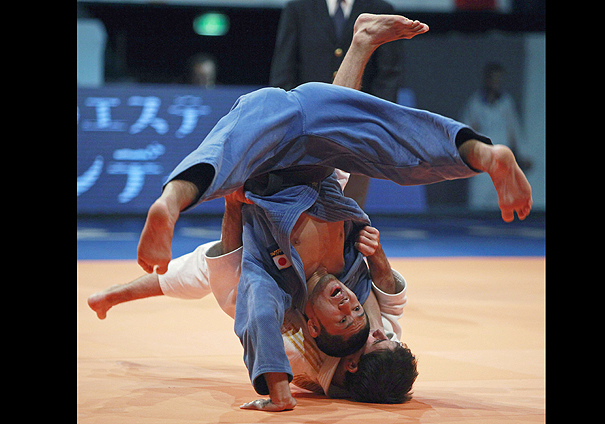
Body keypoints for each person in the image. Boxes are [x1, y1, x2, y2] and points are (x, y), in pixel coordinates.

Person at [136, 13, 532, 410]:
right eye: (357, 311)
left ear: (313, 326)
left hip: (265, 149)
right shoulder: (355, 277)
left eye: (344, 317)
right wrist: (377, 260)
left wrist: (278, 390)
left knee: (225, 158)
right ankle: (480, 153)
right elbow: (387, 298)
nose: (348, 305)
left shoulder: (277, 287)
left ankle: (172, 202)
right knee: (392, 144)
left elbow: (256, 313)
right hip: (319, 146)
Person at [89, 184, 418, 408]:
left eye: (377, 340)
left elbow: (242, 288)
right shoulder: (385, 345)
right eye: (386, 336)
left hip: (265, 278)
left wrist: (233, 207)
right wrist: (375, 251)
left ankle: (174, 199)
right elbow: (389, 293)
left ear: (351, 364)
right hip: (317, 268)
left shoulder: (296, 353)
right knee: (332, 162)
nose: (381, 333)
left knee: (210, 265)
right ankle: (111, 296)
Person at [270, 0, 403, 207]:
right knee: (302, 202)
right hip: (307, 125)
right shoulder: (298, 8)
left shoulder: (381, 10)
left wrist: (376, 124)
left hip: (358, 127)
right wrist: (289, 121)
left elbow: (388, 76)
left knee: (351, 204)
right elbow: (283, 70)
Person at [461, 62, 532, 210]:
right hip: (481, 163)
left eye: (499, 79)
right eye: (493, 79)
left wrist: (523, 155)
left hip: (501, 162)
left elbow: (514, 130)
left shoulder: (506, 103)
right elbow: (465, 131)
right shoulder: (475, 103)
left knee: (501, 205)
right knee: (477, 205)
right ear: (486, 79)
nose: (496, 83)